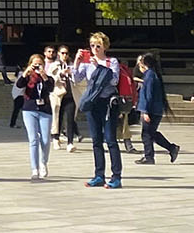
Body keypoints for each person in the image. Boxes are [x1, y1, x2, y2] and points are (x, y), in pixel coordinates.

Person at [73, 32, 123, 189]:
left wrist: (98, 66)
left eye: (98, 46)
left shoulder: (111, 61)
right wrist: (76, 63)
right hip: (92, 103)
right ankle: (99, 175)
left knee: (110, 139)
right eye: (92, 45)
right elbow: (76, 79)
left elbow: (114, 79)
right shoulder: (87, 63)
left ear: (105, 47)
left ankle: (116, 176)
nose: (94, 48)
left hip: (107, 102)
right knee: (96, 140)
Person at [132, 52, 179, 166]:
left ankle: (149, 156)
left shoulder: (149, 76)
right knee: (151, 133)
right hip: (156, 109)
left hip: (151, 110)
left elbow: (148, 95)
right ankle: (171, 148)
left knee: (146, 134)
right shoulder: (153, 75)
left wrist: (145, 111)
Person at [17, 55, 54, 180]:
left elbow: (51, 88)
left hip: (45, 110)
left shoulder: (47, 78)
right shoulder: (27, 77)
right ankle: (34, 168)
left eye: (40, 64)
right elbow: (19, 85)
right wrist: (27, 72)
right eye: (35, 65)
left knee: (45, 139)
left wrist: (43, 75)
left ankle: (43, 162)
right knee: (33, 139)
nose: (37, 67)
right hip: (29, 109)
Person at [51, 45, 78, 151]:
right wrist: (60, 74)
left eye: (66, 53)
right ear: (58, 53)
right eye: (62, 53)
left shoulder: (71, 65)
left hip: (70, 95)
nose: (65, 55)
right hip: (58, 94)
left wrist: (71, 74)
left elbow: (77, 78)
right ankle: (55, 138)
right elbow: (51, 77)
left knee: (71, 119)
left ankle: (70, 142)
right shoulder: (54, 65)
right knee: (58, 117)